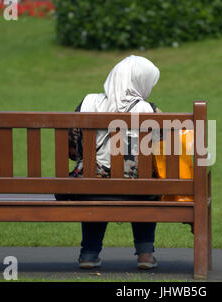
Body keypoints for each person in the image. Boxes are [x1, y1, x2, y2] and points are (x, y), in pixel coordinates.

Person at [55, 55, 161, 270]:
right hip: (140, 191)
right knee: (148, 184)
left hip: (87, 187)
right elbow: (161, 154)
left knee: (93, 185)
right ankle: (145, 255)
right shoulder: (150, 111)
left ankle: (89, 253)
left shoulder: (87, 103)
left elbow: (73, 151)